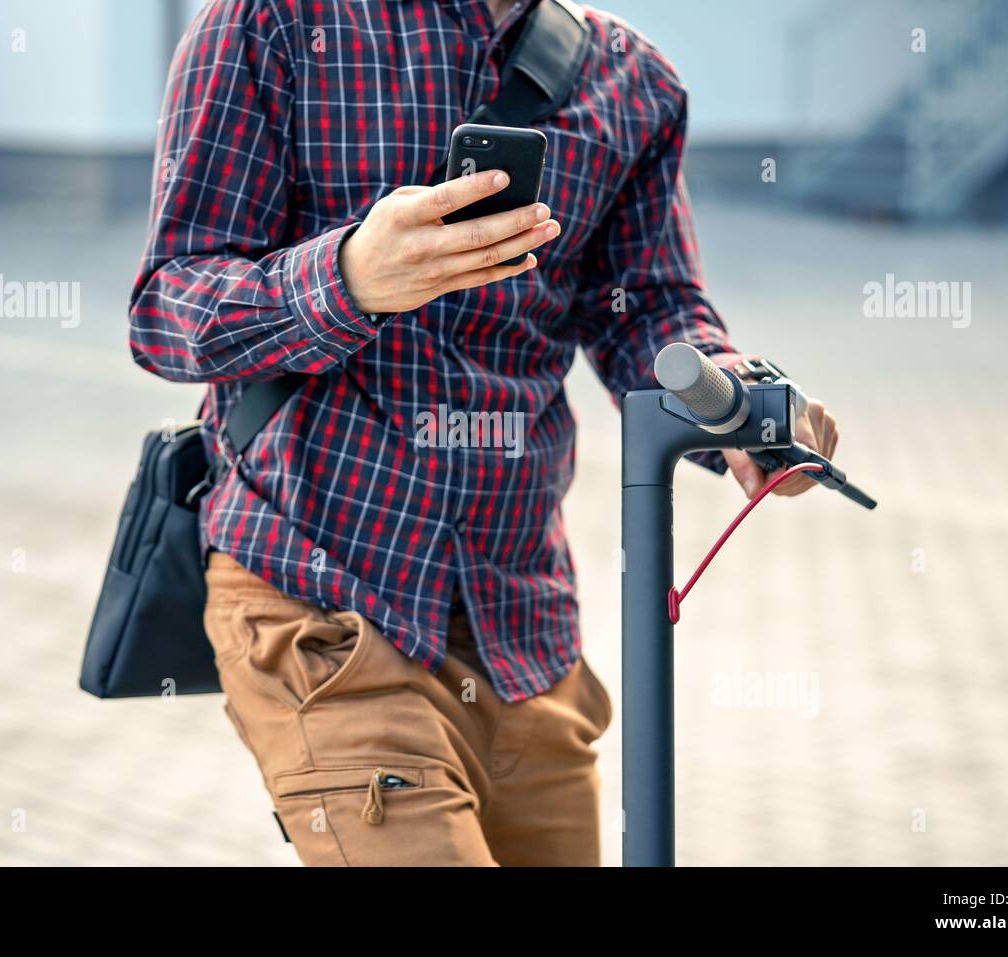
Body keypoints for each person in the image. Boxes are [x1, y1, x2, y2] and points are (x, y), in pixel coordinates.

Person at [129, 0, 839, 866]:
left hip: (523, 637)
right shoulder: (273, 22)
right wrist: (346, 277)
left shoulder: (632, 80)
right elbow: (167, 305)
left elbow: (649, 308)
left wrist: (739, 409)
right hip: (322, 603)